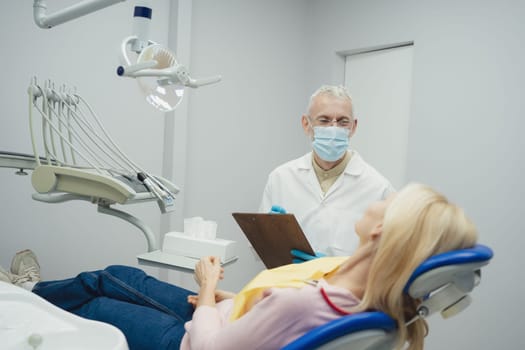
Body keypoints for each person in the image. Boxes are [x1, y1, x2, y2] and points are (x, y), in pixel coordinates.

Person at [1, 183, 478, 350]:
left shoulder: (306, 303)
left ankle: (19, 298)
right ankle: (28, 290)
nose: (381, 197)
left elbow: (211, 347)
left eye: (389, 201)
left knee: (98, 297)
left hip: (195, 341)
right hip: (236, 322)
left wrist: (208, 288)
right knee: (118, 275)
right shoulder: (374, 296)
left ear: (382, 233)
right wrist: (237, 299)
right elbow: (279, 320)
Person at [259, 84, 395, 261]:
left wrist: (334, 267)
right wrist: (268, 234)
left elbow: (391, 259)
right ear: (306, 124)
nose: (334, 128)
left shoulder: (378, 188)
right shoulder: (280, 178)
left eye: (342, 121)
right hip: (287, 284)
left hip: (344, 287)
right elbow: (259, 249)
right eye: (324, 120)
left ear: (353, 127)